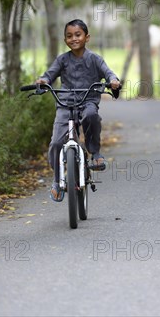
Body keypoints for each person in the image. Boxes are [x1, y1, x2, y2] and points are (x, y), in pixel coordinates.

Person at [36, 19, 120, 202]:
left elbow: (108, 73)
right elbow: (49, 75)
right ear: (65, 39)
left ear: (86, 37)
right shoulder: (62, 60)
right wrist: (43, 81)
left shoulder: (95, 59)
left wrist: (113, 81)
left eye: (78, 35)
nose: (73, 38)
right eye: (69, 36)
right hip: (65, 103)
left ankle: (95, 154)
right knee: (56, 143)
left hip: (88, 100)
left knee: (92, 116)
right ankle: (58, 181)